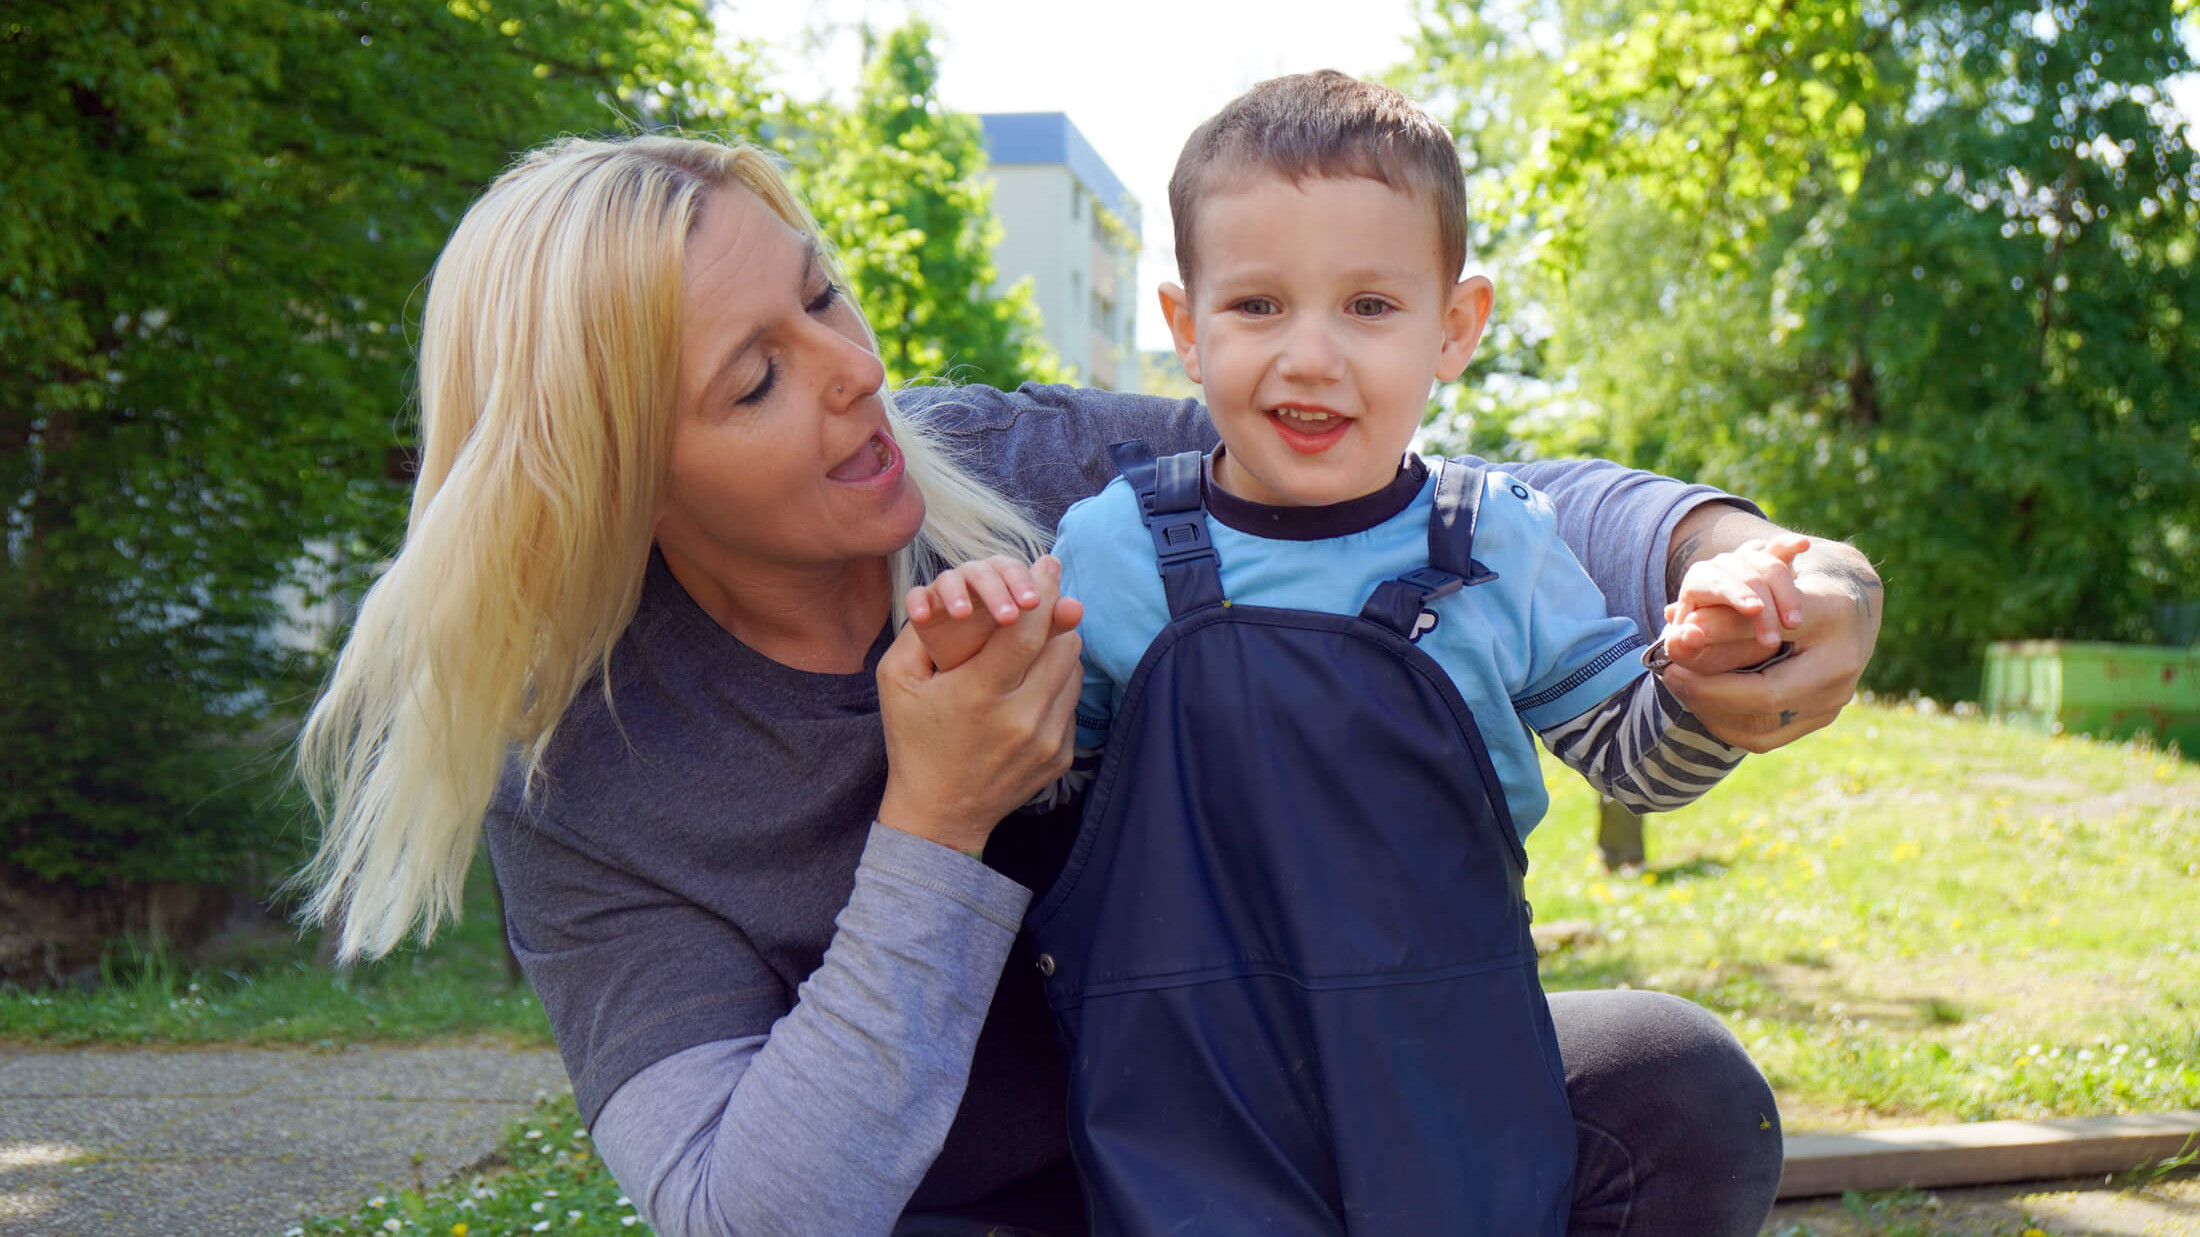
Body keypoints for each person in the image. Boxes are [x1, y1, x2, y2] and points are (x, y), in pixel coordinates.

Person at [292, 130, 1882, 1237]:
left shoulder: (1037, 473)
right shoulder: (586, 788)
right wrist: (936, 819)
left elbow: (1449, 496)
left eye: (822, 293)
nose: (853, 371)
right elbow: (748, 1209)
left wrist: (1740, 553)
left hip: (1292, 1112)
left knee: (1667, 1091)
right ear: (625, 474)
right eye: (755, 376)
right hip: (984, 1204)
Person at [897, 71, 1805, 1236]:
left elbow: (1640, 772)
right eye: (1259, 306)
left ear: (1455, 328)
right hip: (1182, 1120)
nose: (1310, 356)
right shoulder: (1116, 548)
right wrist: (988, 664)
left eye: (1370, 307)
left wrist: (1706, 674)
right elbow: (1037, 793)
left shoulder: (1501, 547)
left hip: (1450, 1105)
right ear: (1186, 327)